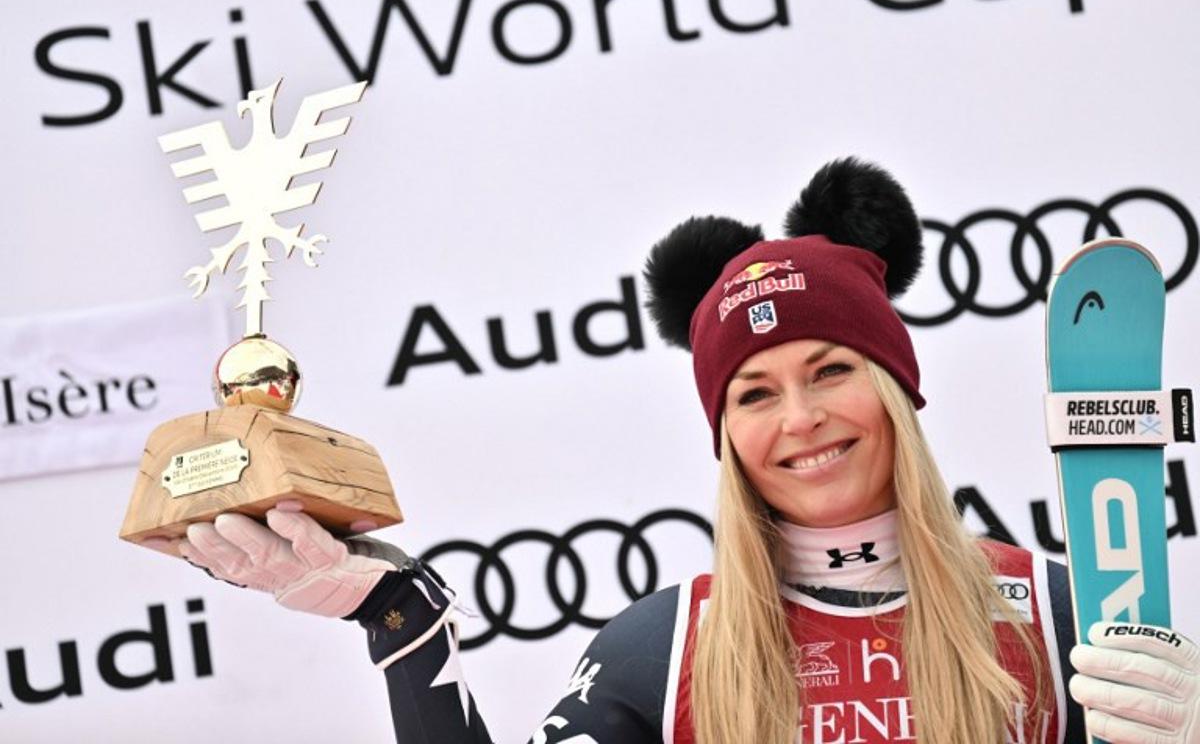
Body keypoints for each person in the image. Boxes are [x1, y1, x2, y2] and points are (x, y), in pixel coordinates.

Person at [157, 159, 1200, 743]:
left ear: (895, 390)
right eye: (754, 391)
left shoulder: (1055, 607)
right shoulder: (671, 647)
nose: (799, 417)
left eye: (833, 368)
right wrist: (400, 619)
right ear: (725, 436)